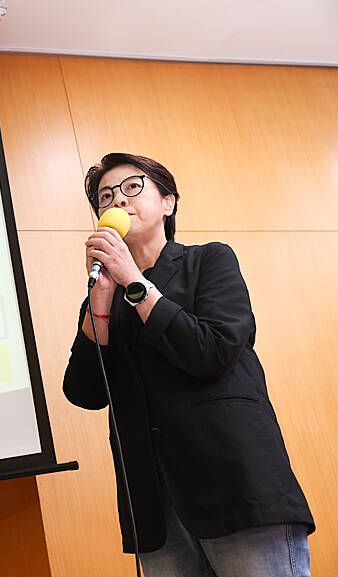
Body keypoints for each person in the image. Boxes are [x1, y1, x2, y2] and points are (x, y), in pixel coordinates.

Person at [62, 153, 315, 576]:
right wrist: (101, 302)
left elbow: (212, 352)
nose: (118, 200)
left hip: (236, 487)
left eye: (132, 187)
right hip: (155, 508)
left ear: (168, 202)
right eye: (105, 197)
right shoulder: (103, 297)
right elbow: (84, 392)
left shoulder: (209, 261)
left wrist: (134, 282)